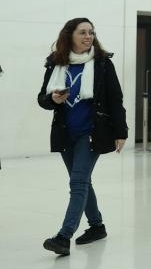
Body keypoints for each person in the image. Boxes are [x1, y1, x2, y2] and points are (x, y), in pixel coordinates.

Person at [37, 18, 128, 256]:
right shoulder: (56, 64)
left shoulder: (102, 64)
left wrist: (121, 132)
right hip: (66, 134)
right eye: (83, 32)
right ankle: (97, 226)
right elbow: (42, 99)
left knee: (77, 182)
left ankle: (64, 236)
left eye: (91, 32)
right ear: (70, 35)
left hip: (92, 133)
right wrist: (52, 99)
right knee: (83, 181)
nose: (88, 36)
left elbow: (115, 99)